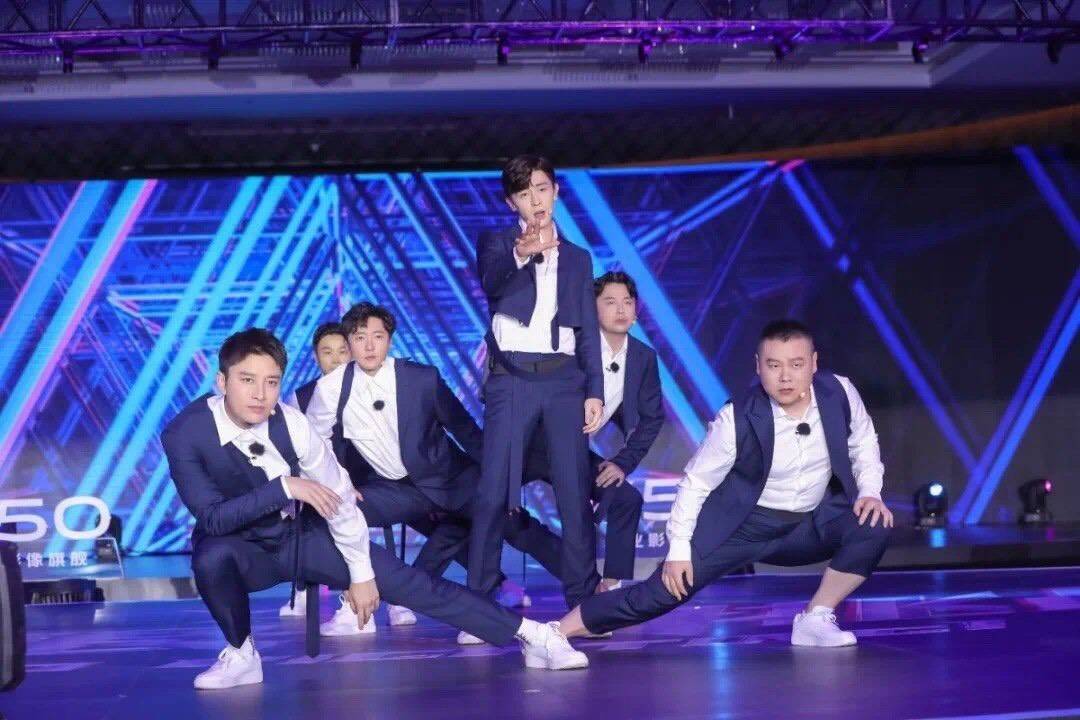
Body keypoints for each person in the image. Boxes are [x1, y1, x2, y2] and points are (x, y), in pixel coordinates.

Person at [163, 329, 589, 689]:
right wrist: (285, 487)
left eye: (271, 382)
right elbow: (213, 517)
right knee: (211, 555)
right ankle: (241, 654)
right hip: (241, 547)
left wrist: (361, 574)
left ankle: (536, 636)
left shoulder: (292, 425)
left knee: (415, 586)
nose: (260, 394)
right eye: (247, 380)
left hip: (300, 537)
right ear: (222, 382)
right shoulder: (185, 433)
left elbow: (339, 498)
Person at [555, 320, 893, 647]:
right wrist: (678, 551)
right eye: (774, 365)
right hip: (741, 527)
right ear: (758, 367)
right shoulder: (736, 417)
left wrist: (870, 492)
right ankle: (556, 632)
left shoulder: (839, 392)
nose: (785, 377)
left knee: (873, 524)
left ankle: (815, 618)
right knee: (660, 594)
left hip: (810, 524)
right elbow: (695, 483)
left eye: (796, 364)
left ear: (813, 363)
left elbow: (862, 442)